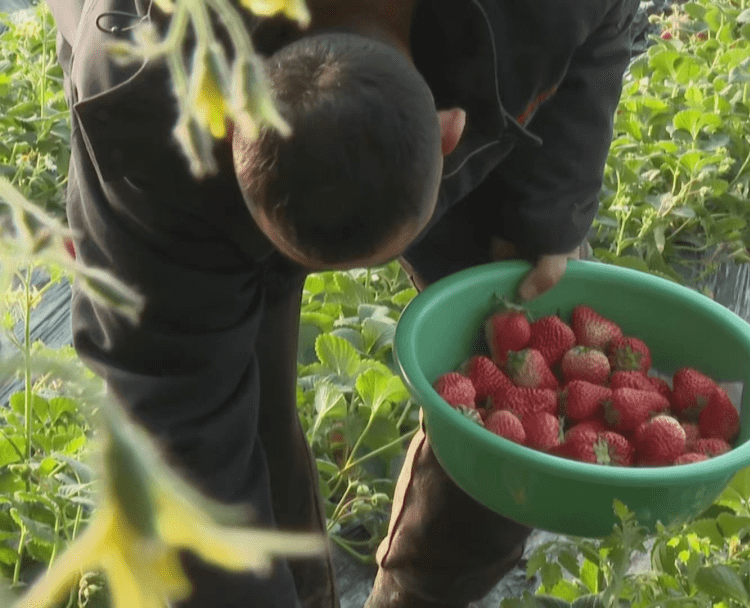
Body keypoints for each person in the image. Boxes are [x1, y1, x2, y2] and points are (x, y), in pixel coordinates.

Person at [45, 0, 638, 605]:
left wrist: (546, 213)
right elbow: (173, 420)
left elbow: (609, 16)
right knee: (239, 438)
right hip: (185, 111)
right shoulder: (143, 119)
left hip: (456, 48)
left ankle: (422, 594)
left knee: (521, 324)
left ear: (448, 130)